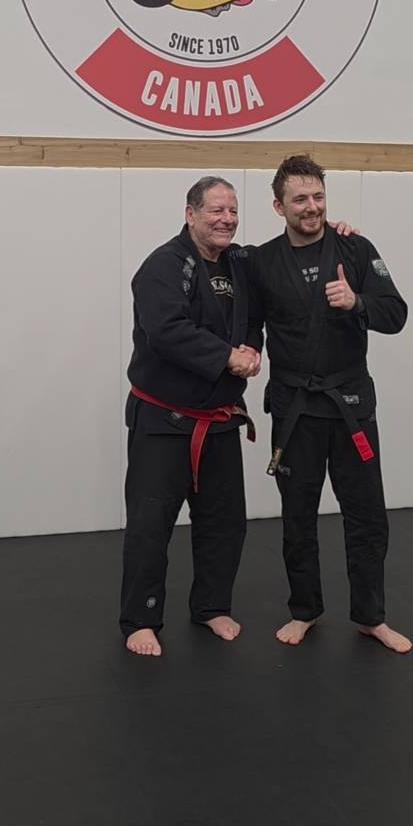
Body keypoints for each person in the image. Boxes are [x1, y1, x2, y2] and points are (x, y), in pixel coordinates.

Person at [247, 154, 412, 653]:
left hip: (350, 406)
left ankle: (371, 617)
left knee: (367, 515)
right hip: (295, 408)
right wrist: (243, 357)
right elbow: (248, 326)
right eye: (299, 199)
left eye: (318, 196)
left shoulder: (356, 249)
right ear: (279, 206)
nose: (312, 207)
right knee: (298, 516)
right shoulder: (261, 262)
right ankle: (305, 610)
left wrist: (357, 302)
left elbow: (396, 313)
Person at [120, 177, 261, 656]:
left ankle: (212, 607)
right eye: (216, 210)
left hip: (218, 418)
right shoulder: (163, 265)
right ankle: (141, 619)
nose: (227, 219)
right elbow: (165, 329)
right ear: (190, 213)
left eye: (233, 210)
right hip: (164, 420)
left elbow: (257, 312)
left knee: (224, 521)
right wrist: (227, 357)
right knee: (150, 523)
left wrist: (251, 347)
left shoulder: (239, 263)